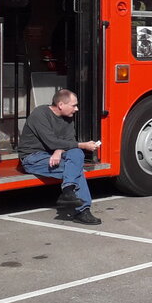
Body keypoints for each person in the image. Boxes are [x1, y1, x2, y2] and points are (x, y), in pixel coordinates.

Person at [18, 88, 102, 224]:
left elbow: (68, 142)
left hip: (53, 154)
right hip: (33, 158)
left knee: (76, 154)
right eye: (74, 105)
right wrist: (83, 145)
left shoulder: (68, 118)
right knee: (76, 169)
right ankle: (82, 210)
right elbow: (51, 141)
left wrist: (58, 151)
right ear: (61, 105)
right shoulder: (40, 114)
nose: (77, 109)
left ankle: (68, 191)